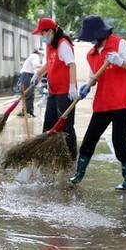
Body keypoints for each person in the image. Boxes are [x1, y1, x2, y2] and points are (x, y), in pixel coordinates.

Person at [69, 16, 126, 190]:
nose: (91, 40)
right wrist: (86, 86)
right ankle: (78, 175)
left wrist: (120, 61)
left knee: (119, 142)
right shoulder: (91, 54)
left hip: (122, 101)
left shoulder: (119, 44)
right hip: (102, 102)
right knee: (88, 140)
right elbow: (94, 76)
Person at [32, 17, 79, 157]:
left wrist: (72, 86)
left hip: (66, 92)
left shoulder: (62, 44)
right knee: (49, 124)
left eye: (42, 34)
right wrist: (38, 74)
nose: (42, 37)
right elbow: (49, 63)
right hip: (54, 91)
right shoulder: (50, 45)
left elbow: (72, 65)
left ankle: (70, 157)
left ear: (50, 32)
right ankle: (47, 154)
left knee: (66, 127)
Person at [17, 45, 43, 117]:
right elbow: (36, 65)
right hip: (26, 76)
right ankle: (26, 112)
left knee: (30, 94)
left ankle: (28, 111)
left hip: (28, 75)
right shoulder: (35, 56)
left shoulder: (35, 56)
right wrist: (45, 65)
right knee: (28, 94)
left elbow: (37, 71)